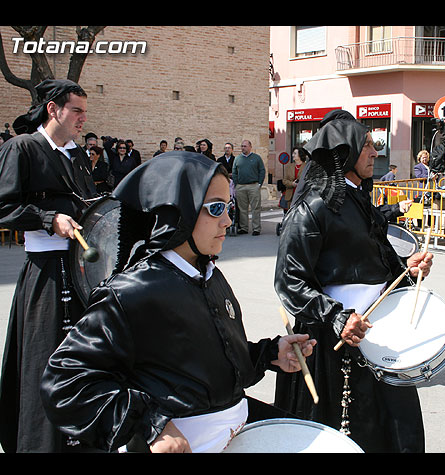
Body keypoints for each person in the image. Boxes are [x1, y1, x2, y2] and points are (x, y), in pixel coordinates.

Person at [39, 152, 316, 453]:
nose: (227, 220)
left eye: (228, 206)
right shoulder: (131, 290)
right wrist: (150, 424)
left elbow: (207, 360)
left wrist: (270, 353)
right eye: (216, 208)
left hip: (237, 433)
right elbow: (65, 381)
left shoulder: (210, 275)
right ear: (181, 211)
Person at [273, 110, 433, 453]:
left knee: (393, 428)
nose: (375, 153)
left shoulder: (361, 200)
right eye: (368, 146)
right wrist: (336, 317)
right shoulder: (311, 208)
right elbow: (289, 280)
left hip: (380, 330)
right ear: (344, 153)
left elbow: (378, 259)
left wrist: (409, 267)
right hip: (334, 339)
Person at [0, 79, 97, 453]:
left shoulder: (77, 155)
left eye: (84, 112)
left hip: (82, 271)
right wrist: (48, 219)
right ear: (53, 109)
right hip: (45, 274)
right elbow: (3, 207)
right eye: (77, 110)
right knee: (46, 359)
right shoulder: (22, 148)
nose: (82, 119)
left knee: (85, 358)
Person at [232, 140, 265, 236]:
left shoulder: (256, 158)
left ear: (250, 147)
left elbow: (262, 170)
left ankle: (256, 228)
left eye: (245, 146)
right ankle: (244, 228)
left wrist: (259, 184)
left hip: (253, 186)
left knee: (255, 208)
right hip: (241, 186)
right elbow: (234, 172)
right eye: (242, 146)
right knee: (242, 209)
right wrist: (236, 183)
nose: (243, 148)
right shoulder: (237, 159)